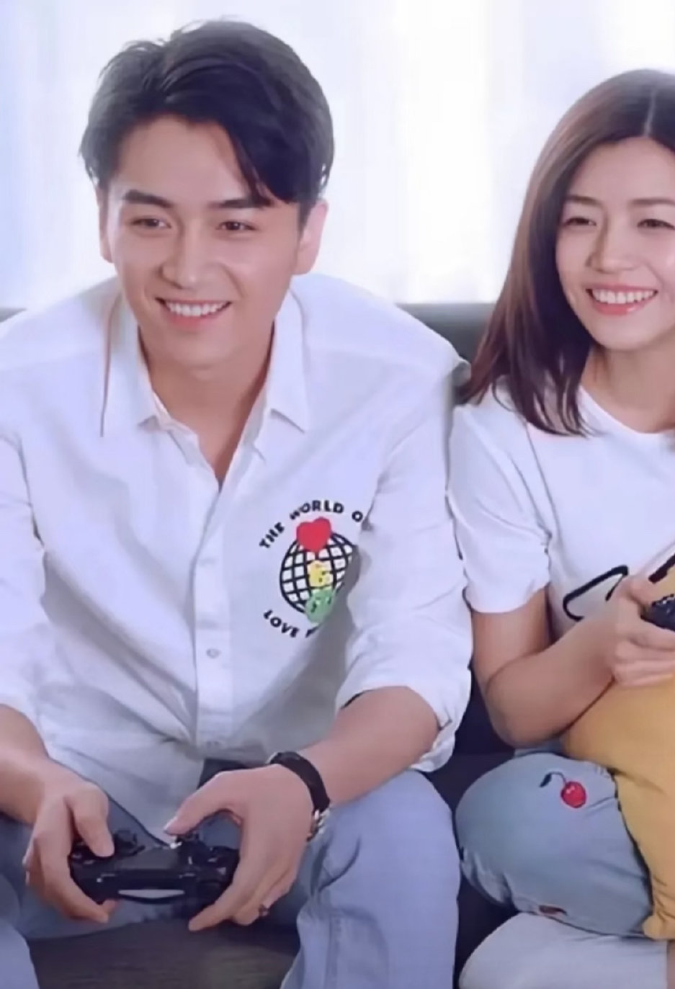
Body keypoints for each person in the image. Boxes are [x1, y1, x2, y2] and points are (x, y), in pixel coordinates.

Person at [0, 20, 472, 989]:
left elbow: (416, 658)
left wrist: (305, 781)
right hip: (70, 795)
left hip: (308, 788)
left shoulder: (399, 379)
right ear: (103, 219)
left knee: (404, 832)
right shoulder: (17, 388)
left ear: (307, 232)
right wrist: (35, 779)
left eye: (236, 224)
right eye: (151, 221)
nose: (187, 267)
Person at [448, 68, 675, 989]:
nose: (608, 258)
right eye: (581, 220)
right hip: (639, 794)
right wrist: (600, 645)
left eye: (654, 224)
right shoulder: (504, 429)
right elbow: (513, 708)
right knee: (507, 822)